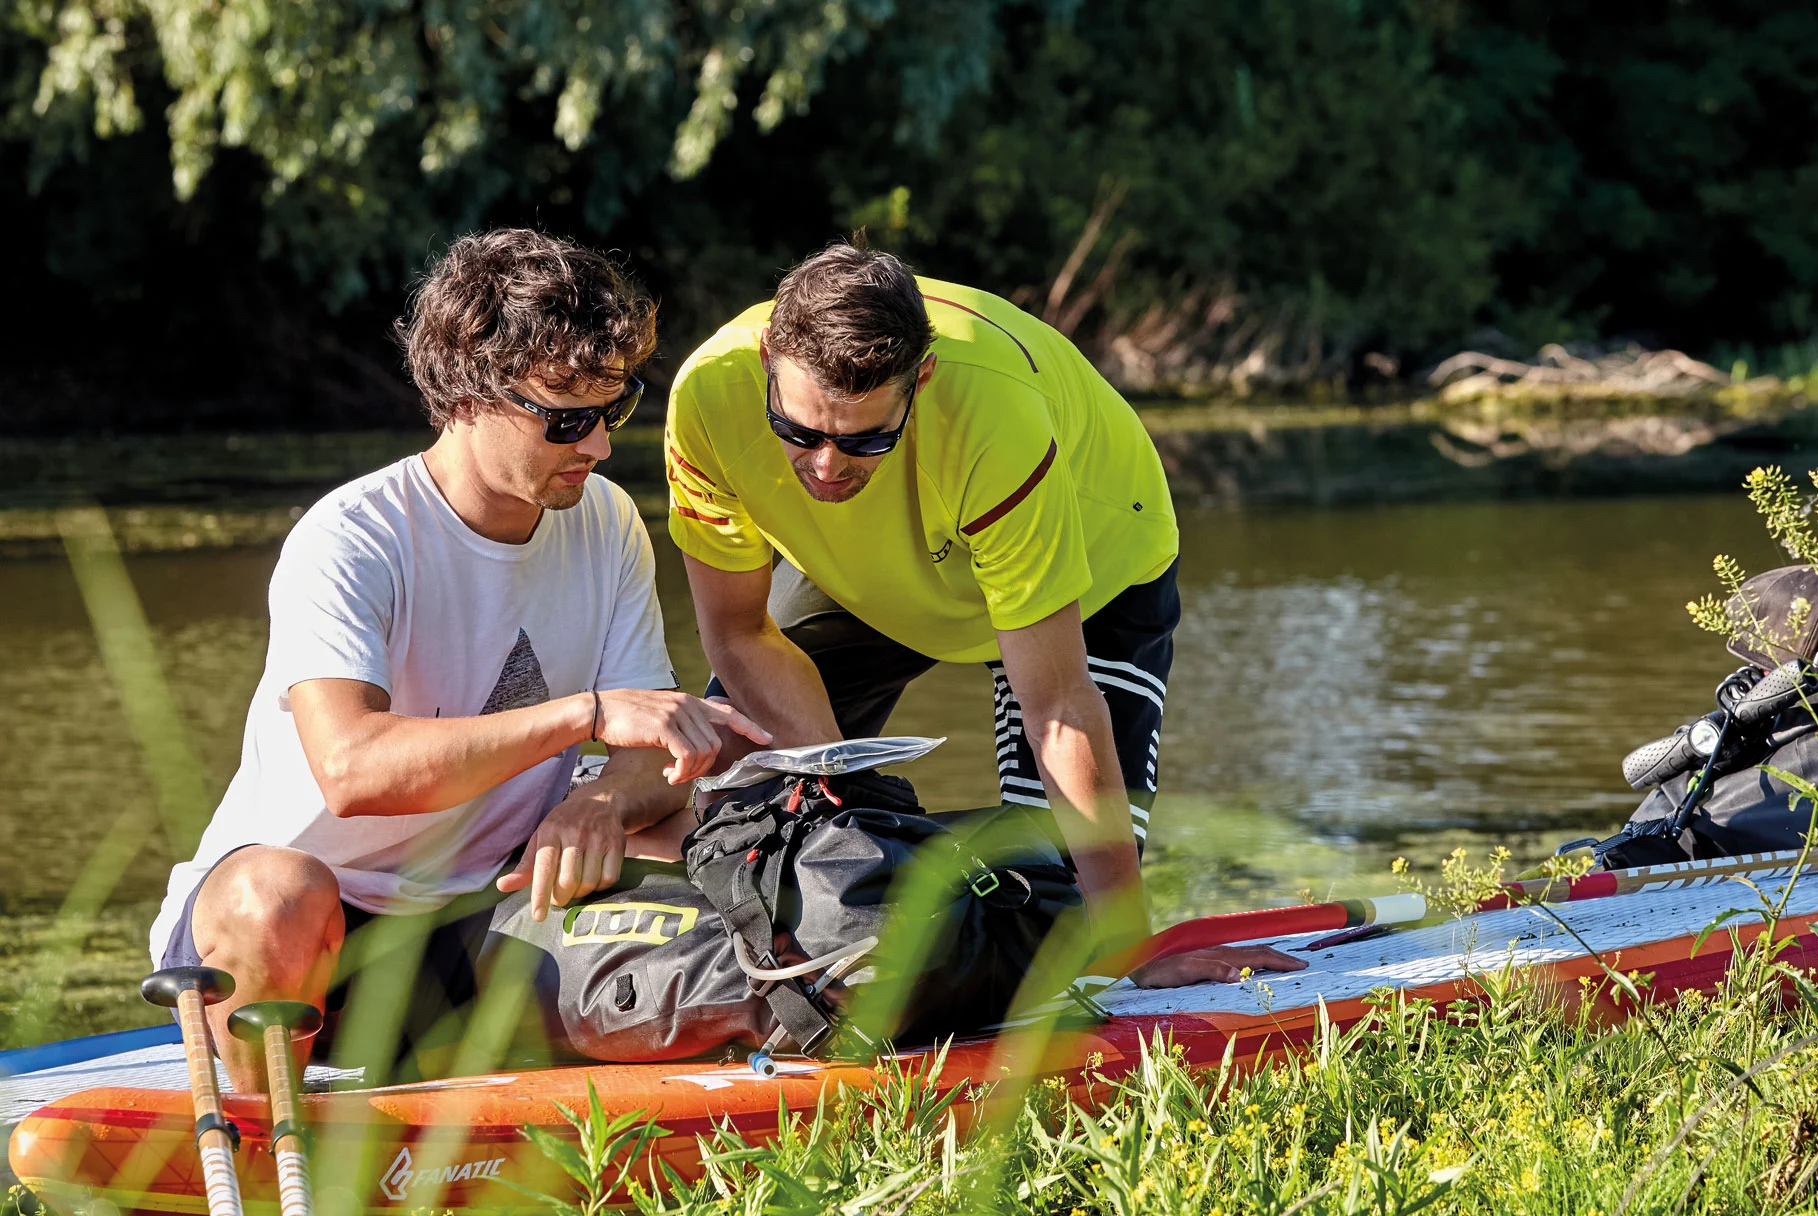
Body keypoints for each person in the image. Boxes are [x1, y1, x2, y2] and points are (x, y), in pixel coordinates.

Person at [147, 229, 770, 1092]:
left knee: (703, 832)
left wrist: (599, 800)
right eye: (567, 419)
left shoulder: (609, 522)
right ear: (469, 394)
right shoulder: (351, 538)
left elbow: (655, 758)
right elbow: (353, 770)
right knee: (279, 898)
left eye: (613, 409)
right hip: (305, 932)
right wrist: (583, 716)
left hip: (483, 915)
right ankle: (269, 1130)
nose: (597, 446)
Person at [663, 242, 1300, 987]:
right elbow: (739, 633)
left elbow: (1059, 707)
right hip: (869, 563)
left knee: (1064, 901)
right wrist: (846, 821)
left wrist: (1124, 945)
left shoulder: (993, 416)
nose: (827, 467)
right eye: (799, 432)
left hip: (1092, 554)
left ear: (921, 378)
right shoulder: (706, 394)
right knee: (744, 790)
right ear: (767, 359)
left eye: (868, 438)